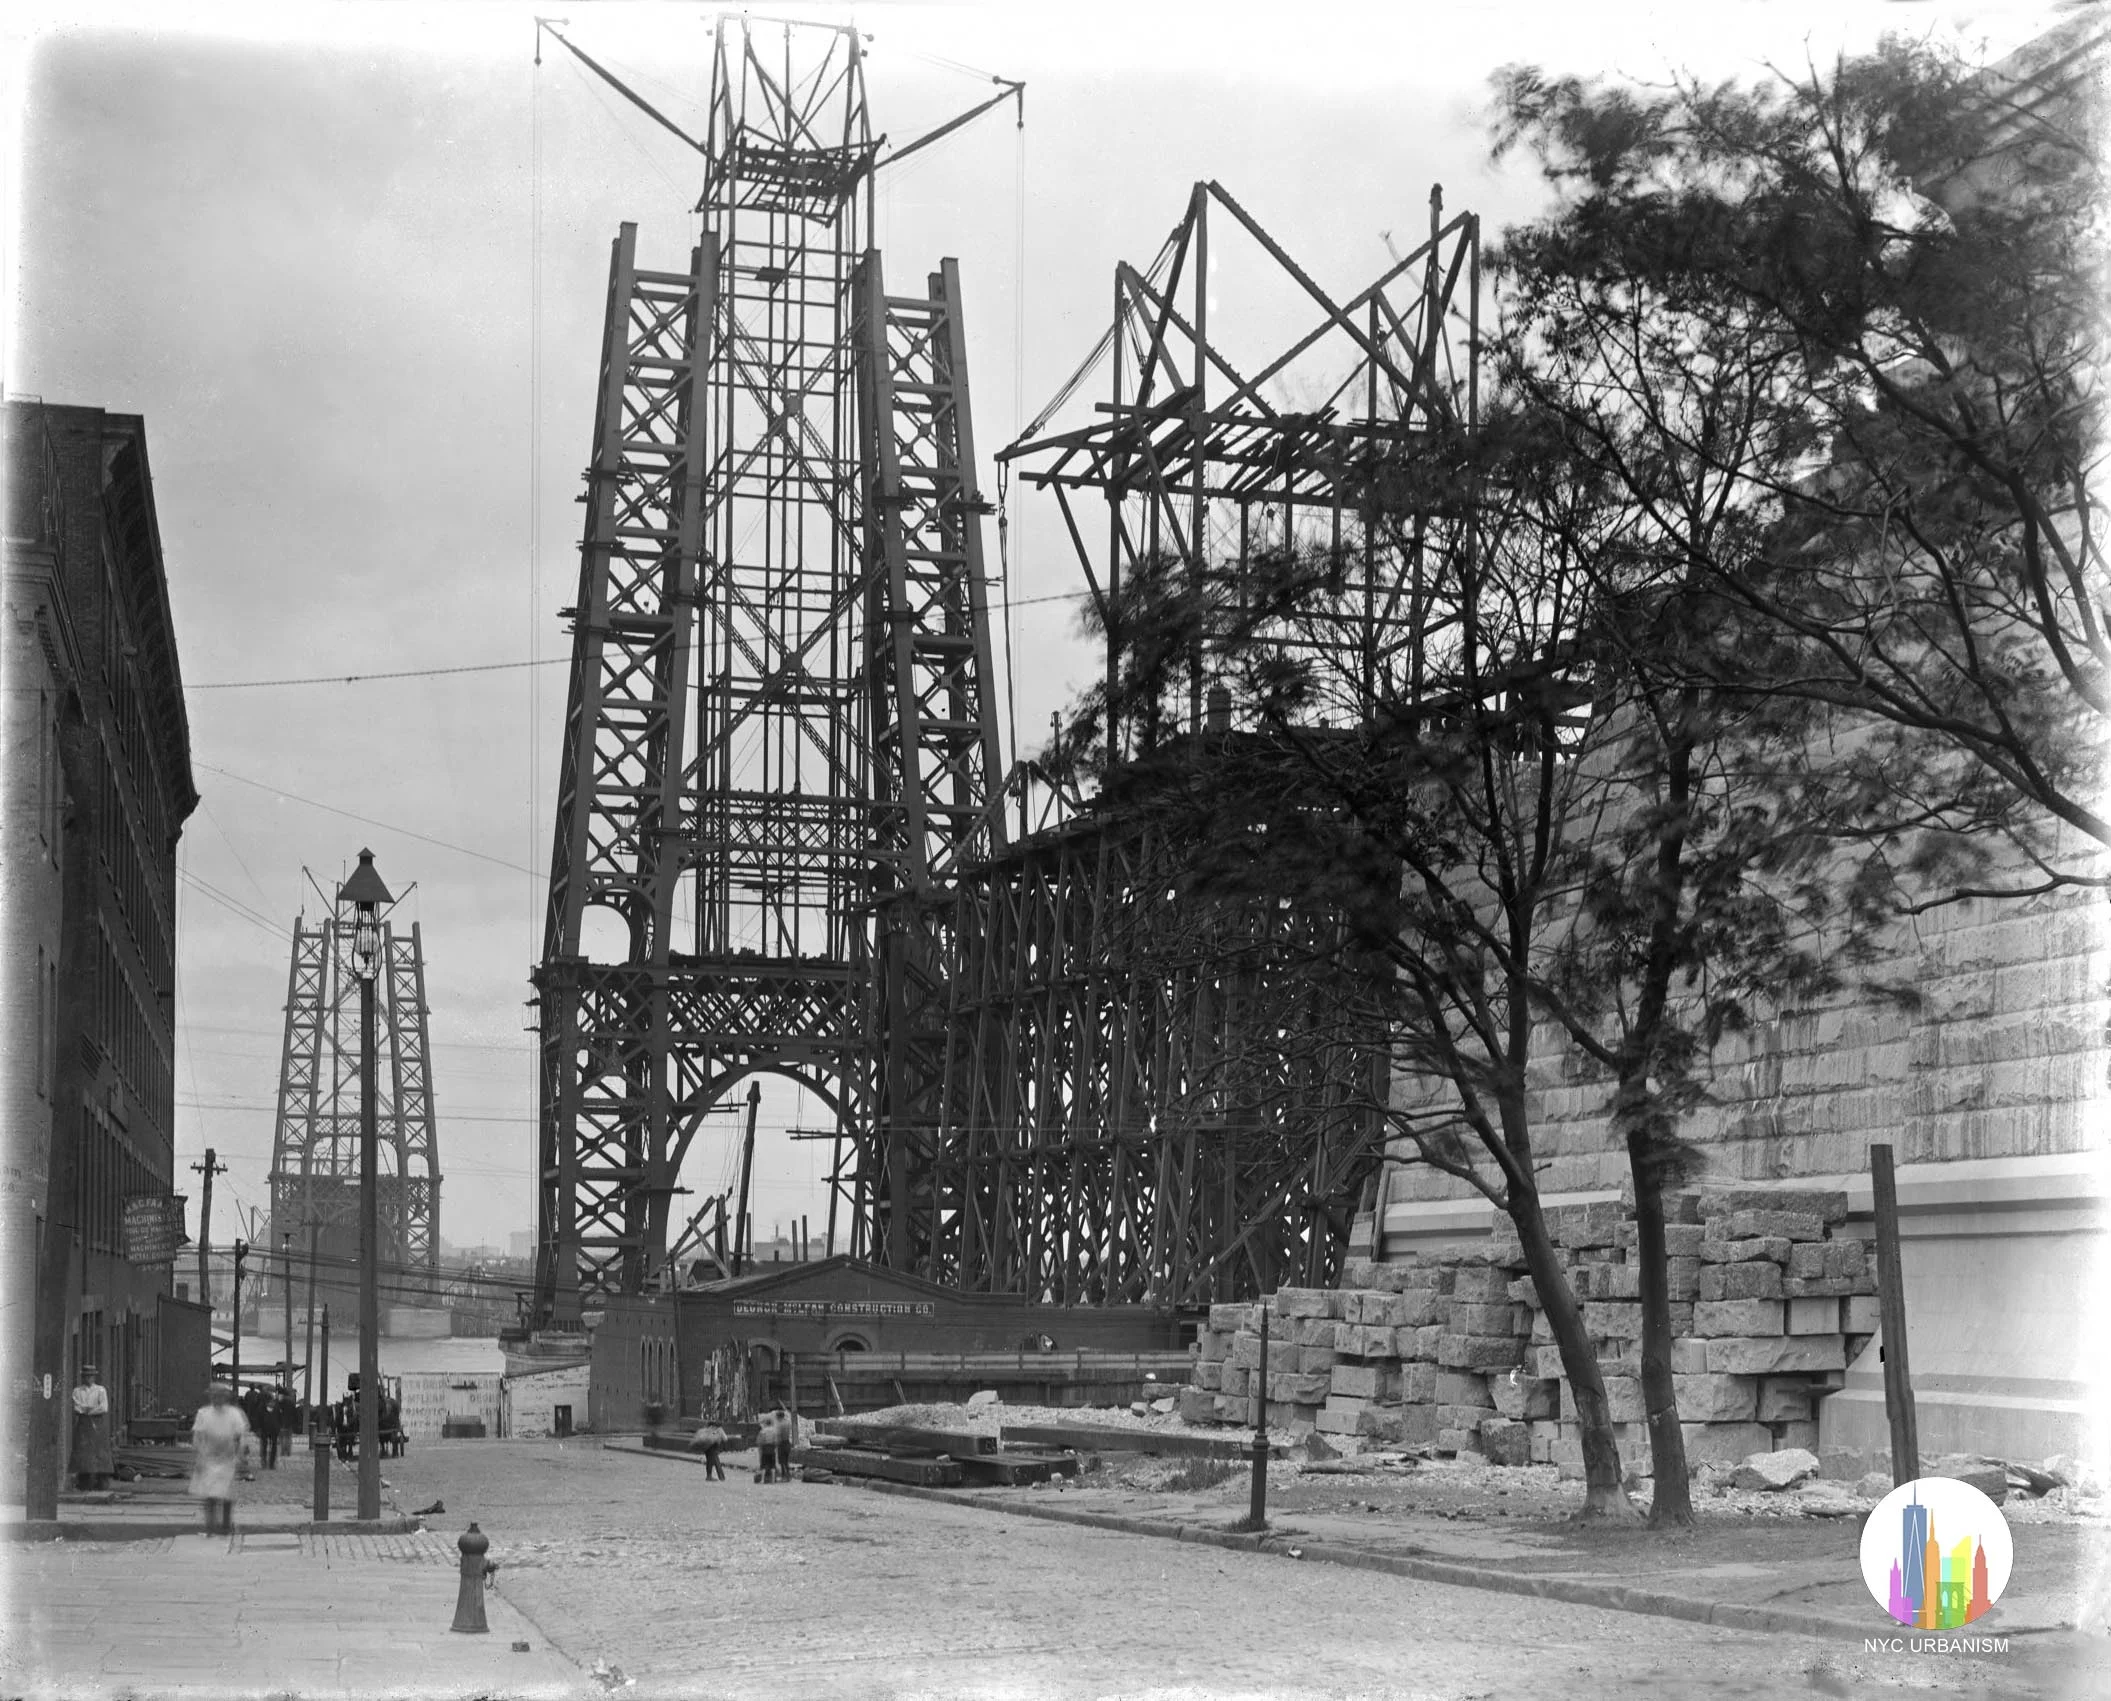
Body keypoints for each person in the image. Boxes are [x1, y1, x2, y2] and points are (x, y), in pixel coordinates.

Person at [189, 1383, 249, 1536]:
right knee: (209, 1493)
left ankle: (226, 1526)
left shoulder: (234, 1414)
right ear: (211, 1397)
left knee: (226, 1493)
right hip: (209, 1457)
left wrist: (239, 1455)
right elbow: (198, 1437)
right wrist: (200, 1457)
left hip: (228, 1458)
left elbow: (239, 1436)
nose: (218, 1399)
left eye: (221, 1395)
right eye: (215, 1395)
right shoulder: (203, 1413)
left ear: (226, 1397)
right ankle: (210, 1526)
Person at [70, 1366, 113, 1490]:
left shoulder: (100, 1390)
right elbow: (77, 1407)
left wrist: (88, 1409)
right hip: (83, 1424)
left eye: (90, 1376)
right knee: (83, 1452)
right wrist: (89, 1408)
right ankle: (84, 1482)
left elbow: (104, 1407)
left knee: (100, 1451)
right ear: (82, 1377)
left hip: (98, 1423)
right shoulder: (77, 1391)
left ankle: (101, 1481)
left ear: (94, 1377)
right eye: (86, 1376)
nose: (88, 1378)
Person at [254, 1386, 281, 1470]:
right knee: (271, 1446)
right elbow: (279, 1418)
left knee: (266, 1446)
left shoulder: (261, 1407)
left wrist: (258, 1429)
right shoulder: (275, 1407)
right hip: (271, 1429)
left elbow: (258, 1419)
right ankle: (269, 1463)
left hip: (268, 1429)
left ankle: (266, 1463)